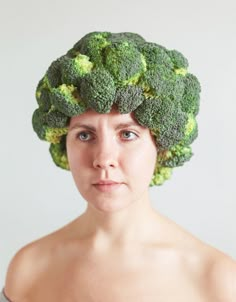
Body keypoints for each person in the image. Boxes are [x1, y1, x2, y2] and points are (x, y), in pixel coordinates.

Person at [1, 31, 236, 302]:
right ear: (62, 142)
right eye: (85, 135)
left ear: (161, 144)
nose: (103, 158)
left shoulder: (217, 280)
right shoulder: (28, 269)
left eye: (127, 134)